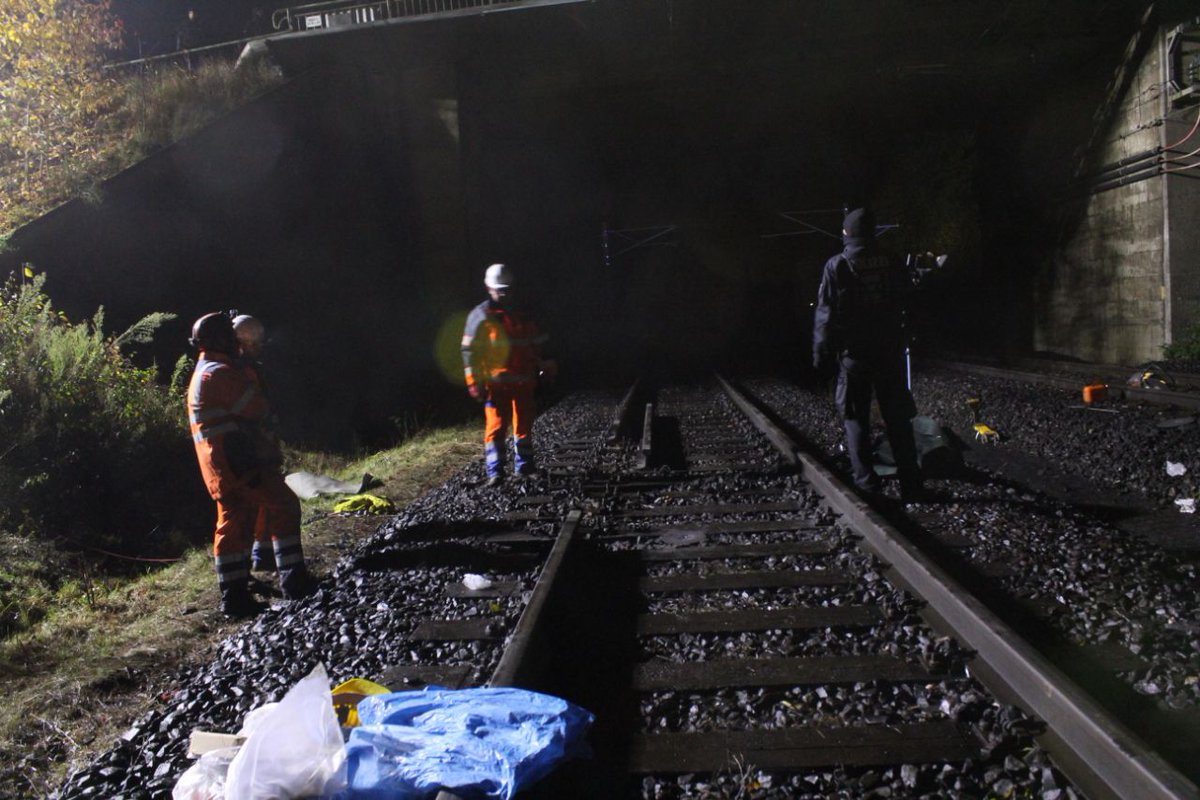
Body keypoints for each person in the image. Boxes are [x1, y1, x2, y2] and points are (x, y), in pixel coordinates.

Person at [187, 312, 316, 618]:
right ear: (221, 340)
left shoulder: (206, 369)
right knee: (283, 504)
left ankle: (235, 596)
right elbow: (257, 407)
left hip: (223, 465)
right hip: (237, 464)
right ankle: (293, 581)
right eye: (233, 339)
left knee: (233, 525)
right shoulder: (218, 373)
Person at [812, 206, 925, 501]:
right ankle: (912, 485)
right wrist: (911, 334)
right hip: (890, 351)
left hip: (855, 356)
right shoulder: (892, 260)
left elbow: (825, 315)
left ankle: (867, 485)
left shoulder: (837, 265)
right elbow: (910, 302)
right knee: (898, 419)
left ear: (847, 233)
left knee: (855, 418)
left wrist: (821, 354)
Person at [460, 263, 554, 487]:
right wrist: (474, 383)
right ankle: (496, 472)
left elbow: (538, 344)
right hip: (495, 385)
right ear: (488, 288)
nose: (503, 294)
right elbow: (468, 352)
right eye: (498, 290)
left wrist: (546, 366)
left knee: (523, 425)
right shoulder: (480, 316)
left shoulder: (524, 314)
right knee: (496, 427)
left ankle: (525, 468)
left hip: (523, 381)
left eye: (506, 290)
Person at [232, 314, 279, 574]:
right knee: (248, 507)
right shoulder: (234, 372)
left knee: (266, 502)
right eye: (256, 343)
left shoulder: (246, 368)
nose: (259, 348)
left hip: (258, 445)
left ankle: (262, 555)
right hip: (246, 450)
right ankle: (248, 564)